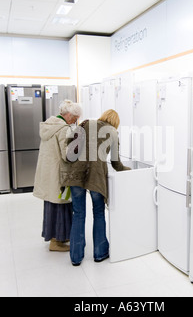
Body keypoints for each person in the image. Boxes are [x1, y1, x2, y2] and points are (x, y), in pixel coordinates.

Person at [61, 109, 131, 266]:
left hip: (76, 174)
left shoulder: (86, 124)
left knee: (78, 214)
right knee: (98, 213)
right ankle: (100, 253)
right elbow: (116, 164)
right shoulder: (112, 133)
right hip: (96, 177)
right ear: (115, 123)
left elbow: (69, 146)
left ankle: (76, 256)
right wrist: (130, 171)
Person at [33, 100, 82, 252]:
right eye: (75, 117)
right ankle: (56, 241)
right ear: (68, 115)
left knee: (51, 204)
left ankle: (58, 236)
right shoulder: (63, 129)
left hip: (48, 173)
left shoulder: (50, 124)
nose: (76, 121)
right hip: (58, 174)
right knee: (60, 205)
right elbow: (67, 155)